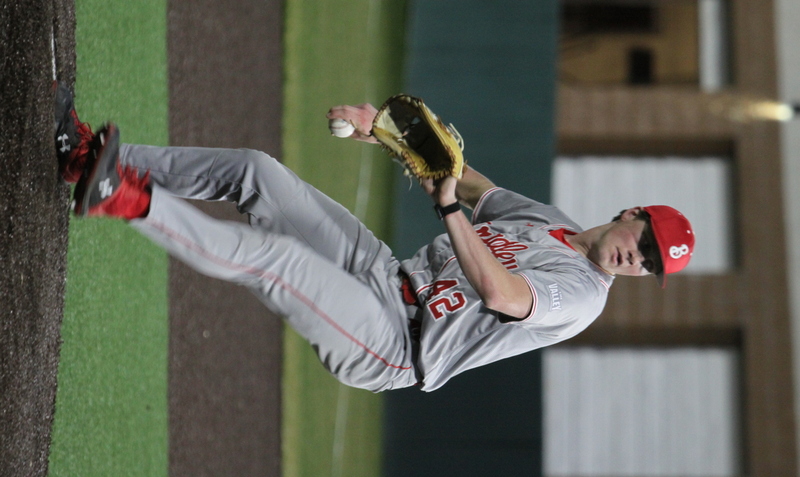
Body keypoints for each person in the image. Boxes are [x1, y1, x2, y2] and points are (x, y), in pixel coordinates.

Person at [54, 83, 695, 393]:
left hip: (396, 344)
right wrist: (386, 134)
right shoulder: (549, 221)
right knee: (256, 173)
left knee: (275, 260)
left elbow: (501, 294)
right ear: (632, 212)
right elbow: (468, 183)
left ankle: (122, 199)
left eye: (649, 265)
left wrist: (449, 211)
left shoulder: (583, 295)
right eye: (646, 241)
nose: (635, 258)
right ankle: (95, 159)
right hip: (385, 275)